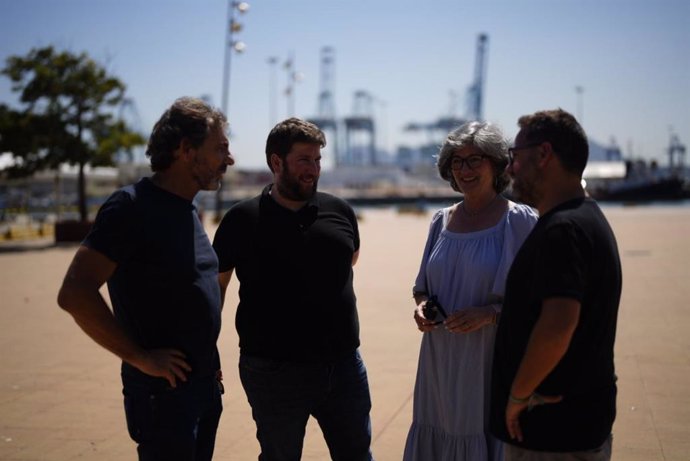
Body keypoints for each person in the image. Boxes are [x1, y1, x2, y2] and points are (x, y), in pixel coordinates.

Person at [57, 97, 235, 461]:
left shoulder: (187, 208)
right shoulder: (131, 207)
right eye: (220, 149)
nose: (229, 160)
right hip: (164, 396)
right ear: (186, 150)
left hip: (202, 387)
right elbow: (74, 293)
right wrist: (140, 358)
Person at [212, 117, 374, 461]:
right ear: (276, 162)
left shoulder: (339, 210)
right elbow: (216, 288)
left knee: (357, 455)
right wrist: (205, 349)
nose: (313, 169)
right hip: (273, 372)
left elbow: (350, 260)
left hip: (343, 367)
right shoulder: (242, 220)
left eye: (317, 160)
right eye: (304, 159)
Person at [489, 109, 622, 460]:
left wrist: (518, 395)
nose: (510, 168)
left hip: (552, 433)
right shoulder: (588, 218)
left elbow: (558, 324)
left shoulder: (562, 230)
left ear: (544, 154)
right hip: (578, 423)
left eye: (515, 157)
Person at [404, 121, 538, 460]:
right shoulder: (441, 220)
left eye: (474, 159)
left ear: (497, 164)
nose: (465, 169)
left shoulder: (519, 221)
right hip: (438, 361)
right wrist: (422, 309)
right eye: (457, 161)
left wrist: (490, 315)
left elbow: (540, 303)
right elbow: (422, 289)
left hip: (488, 361)